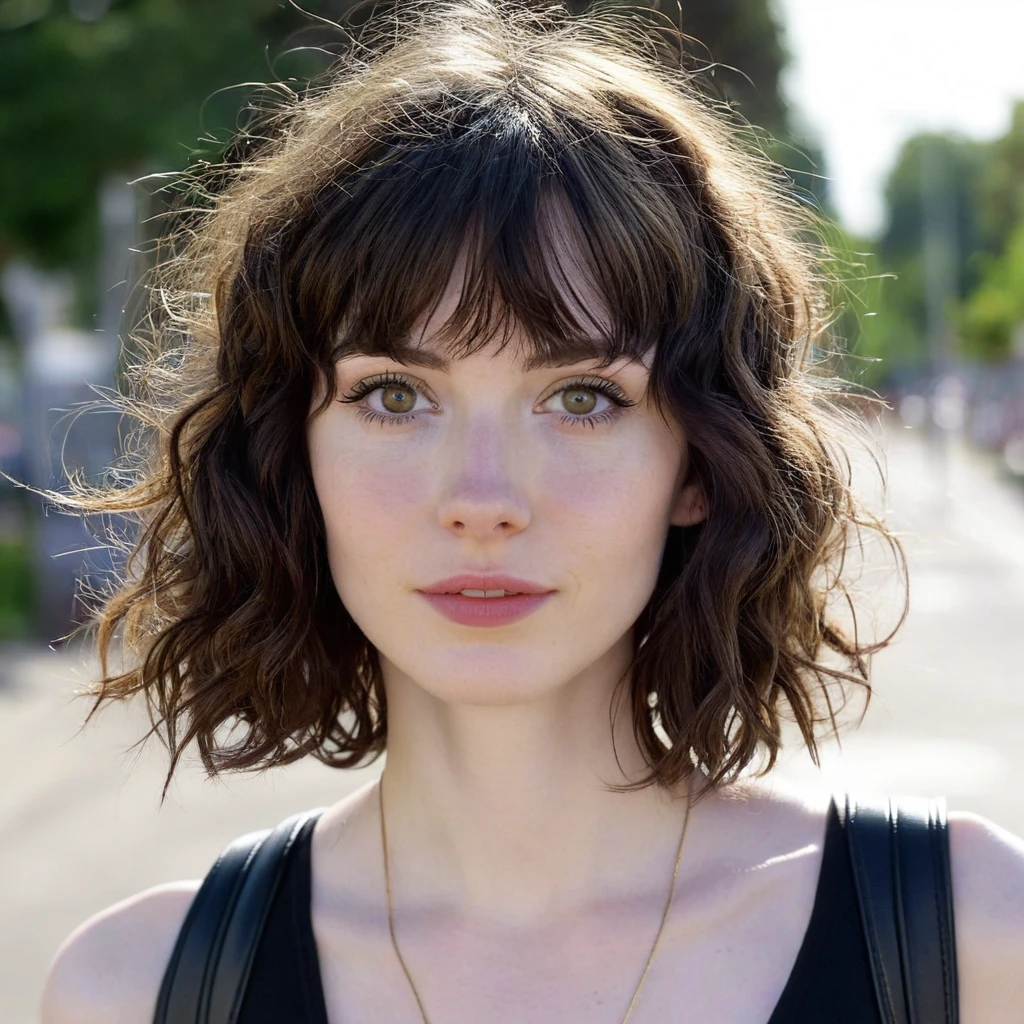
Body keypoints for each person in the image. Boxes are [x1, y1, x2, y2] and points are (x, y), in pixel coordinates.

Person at [39, 0, 1024, 1020]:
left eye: (582, 398)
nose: (481, 501)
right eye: (392, 395)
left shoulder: (972, 942)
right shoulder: (138, 989)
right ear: (293, 448)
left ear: (700, 461)